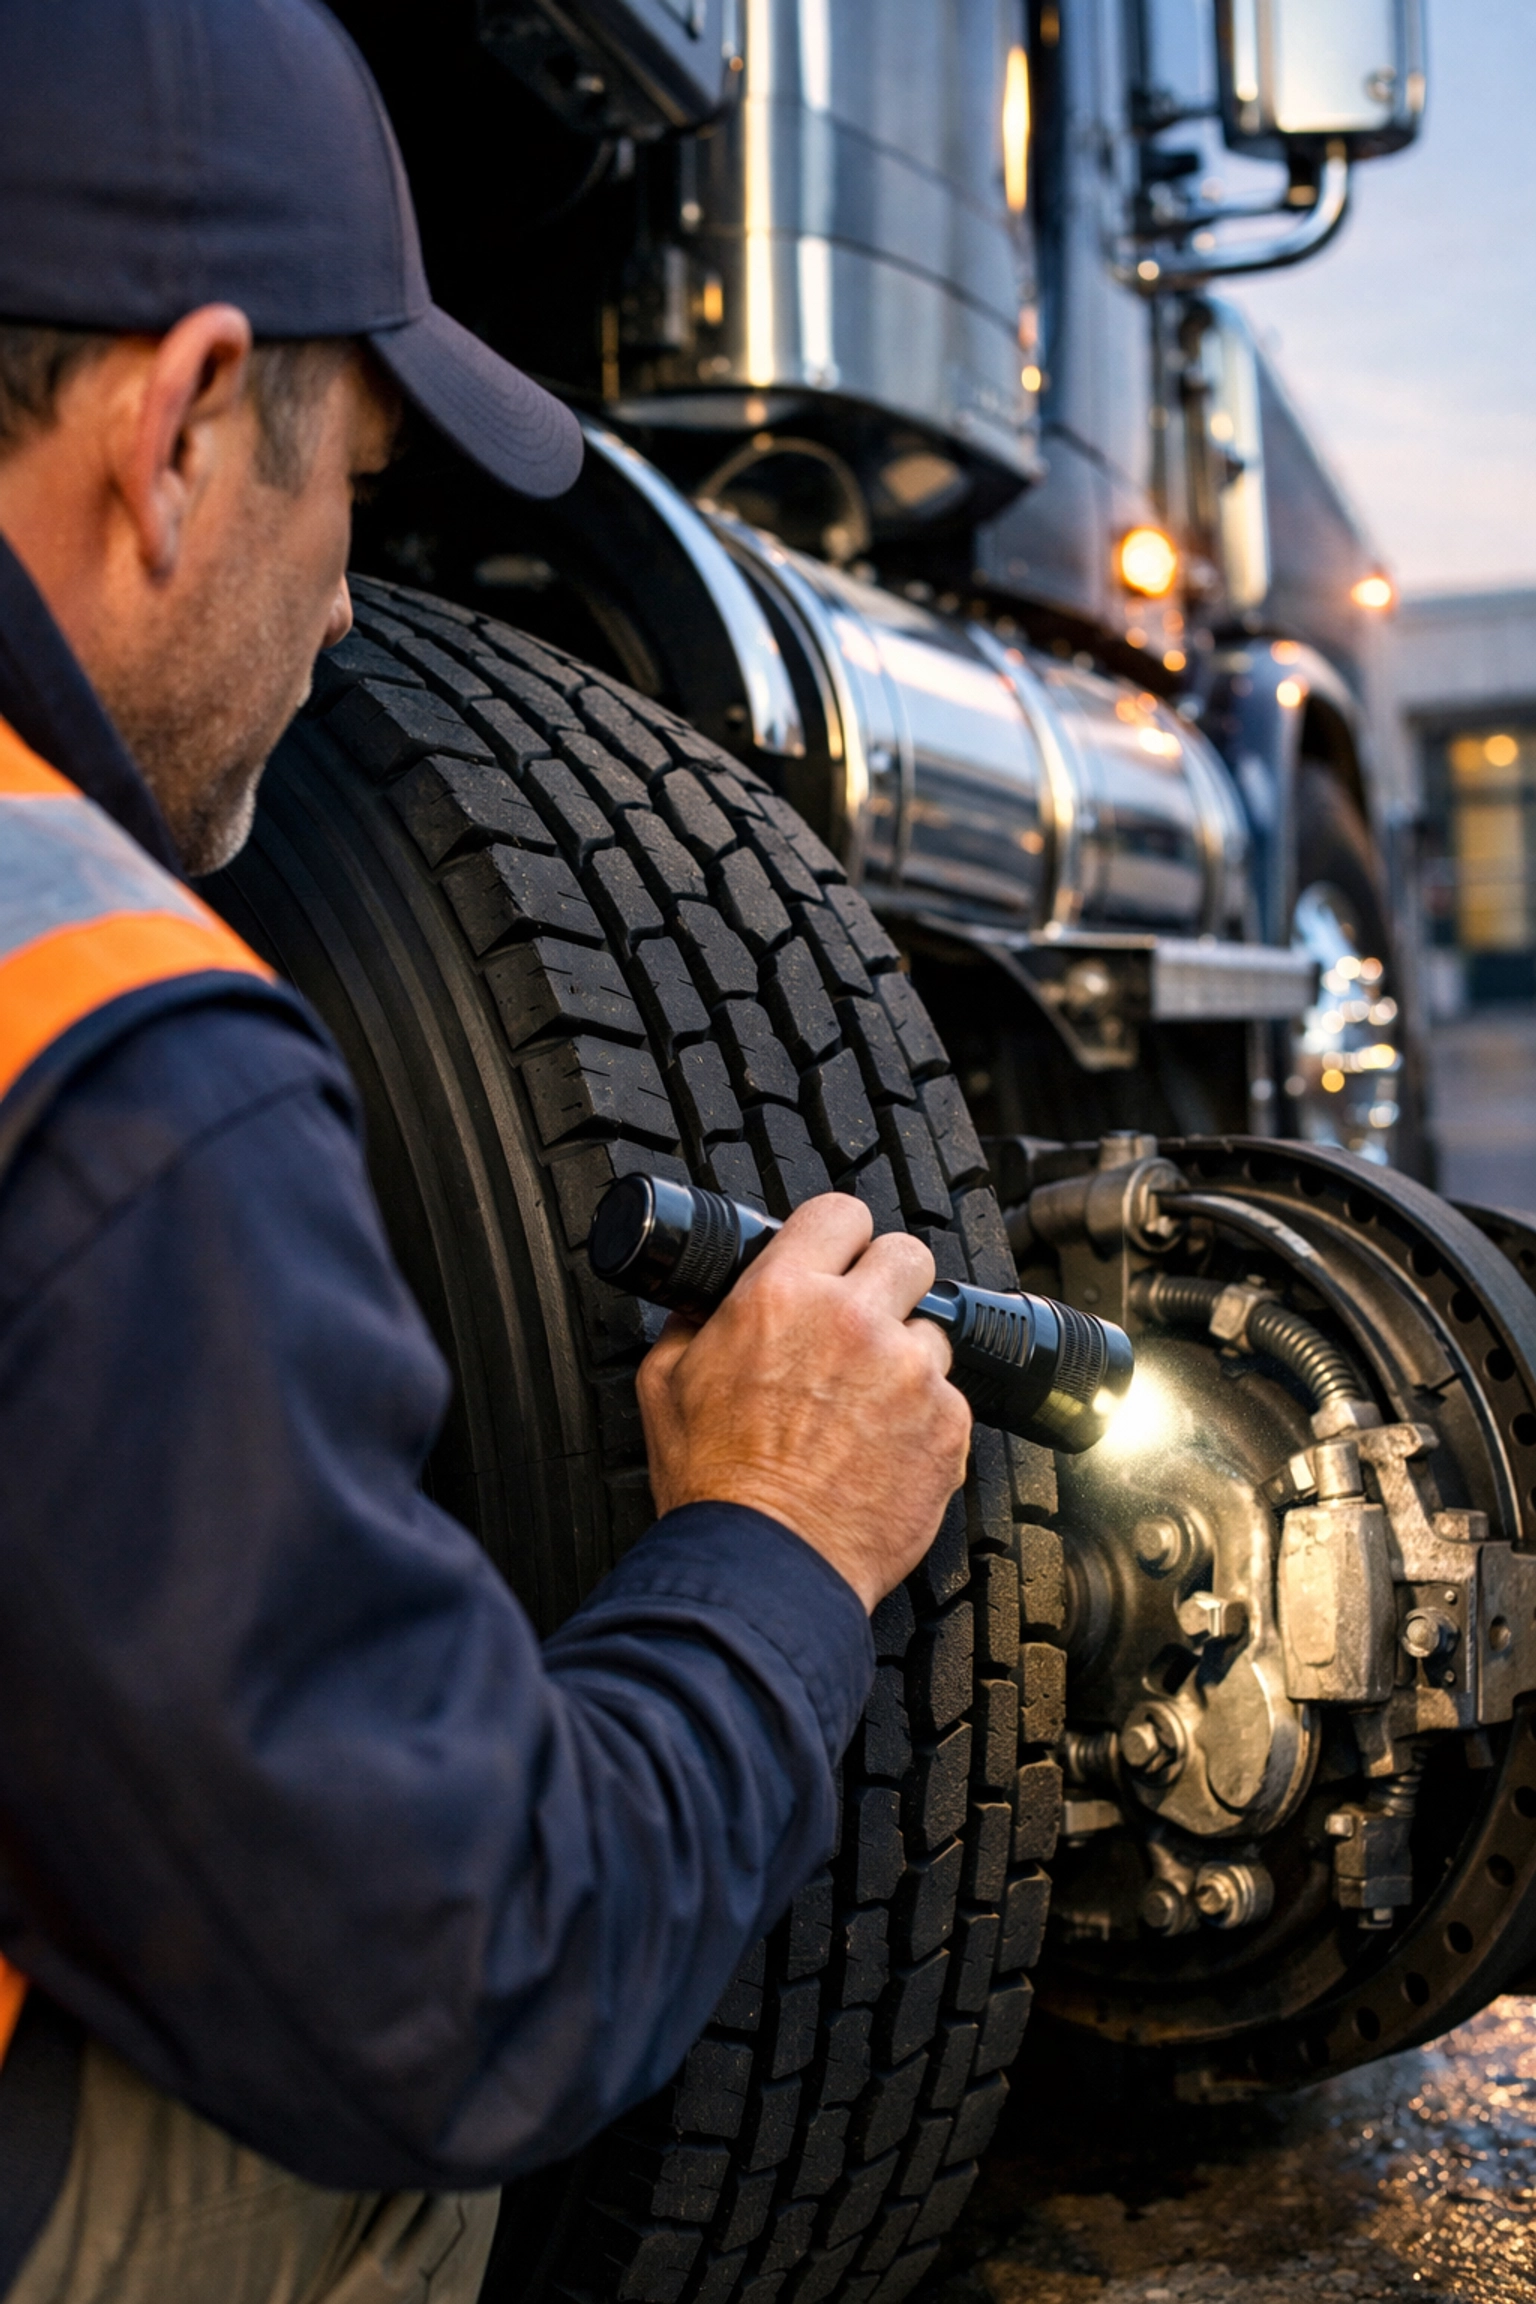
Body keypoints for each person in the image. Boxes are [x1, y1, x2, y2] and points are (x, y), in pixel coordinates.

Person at [0, 4, 973, 2300]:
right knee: (384, 2166)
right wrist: (779, 1540)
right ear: (184, 426)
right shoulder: (116, 1051)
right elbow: (462, 1985)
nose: (347, 607)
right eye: (351, 494)